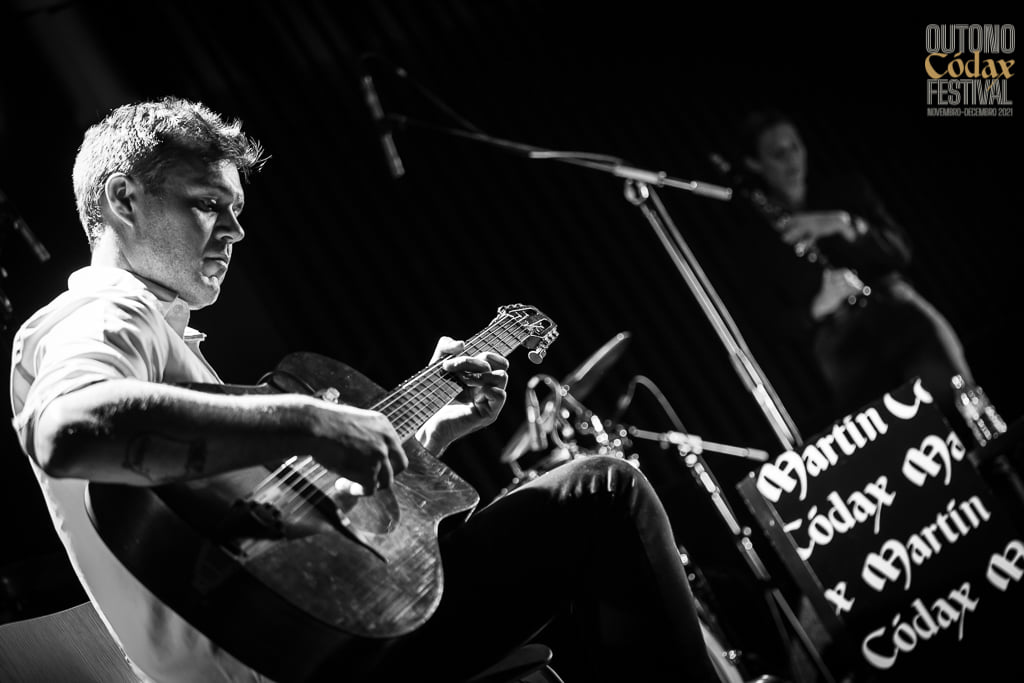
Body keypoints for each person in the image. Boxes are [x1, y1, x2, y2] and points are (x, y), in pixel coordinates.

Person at [8, 97, 728, 683]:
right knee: (601, 493)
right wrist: (309, 419)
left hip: (317, 641)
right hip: (299, 663)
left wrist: (429, 433)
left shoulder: (170, 345)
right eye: (207, 203)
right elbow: (67, 427)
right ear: (123, 198)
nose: (234, 230)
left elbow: (294, 539)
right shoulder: (104, 311)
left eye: (236, 209)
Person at [728, 109, 976, 443]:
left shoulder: (845, 190)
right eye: (777, 153)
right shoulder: (753, 240)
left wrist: (845, 224)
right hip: (844, 351)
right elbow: (770, 324)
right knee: (903, 448)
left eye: (795, 147)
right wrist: (818, 306)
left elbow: (900, 251)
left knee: (970, 420)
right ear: (755, 164)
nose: (791, 159)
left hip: (901, 315)